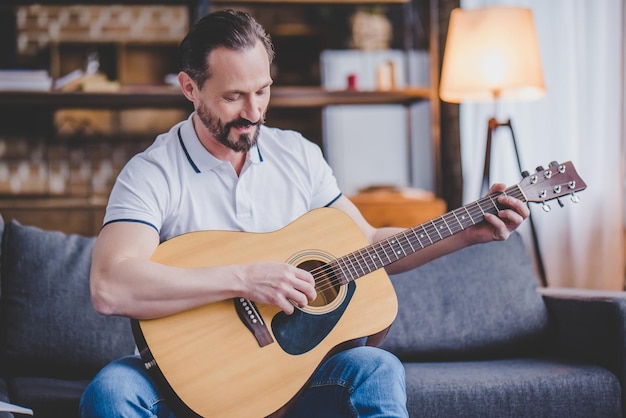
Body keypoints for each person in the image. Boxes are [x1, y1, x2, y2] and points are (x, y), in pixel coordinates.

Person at [79, 9, 529, 418]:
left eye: (263, 91)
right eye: (234, 97)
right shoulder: (152, 173)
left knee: (376, 368)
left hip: (293, 378)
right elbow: (110, 285)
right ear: (189, 88)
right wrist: (244, 278)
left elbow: (366, 244)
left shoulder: (298, 155)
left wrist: (467, 233)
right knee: (111, 391)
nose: (253, 112)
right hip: (189, 382)